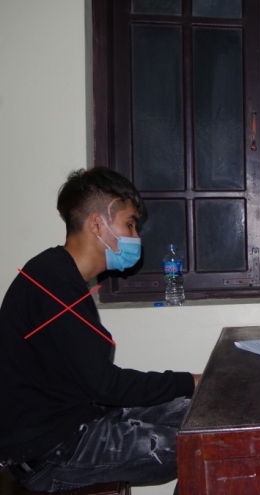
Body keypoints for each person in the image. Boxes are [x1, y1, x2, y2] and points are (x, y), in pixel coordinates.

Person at [0, 168, 199, 492]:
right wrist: (189, 381)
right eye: (130, 224)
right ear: (97, 224)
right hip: (50, 451)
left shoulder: (60, 274)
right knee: (205, 446)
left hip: (79, 421)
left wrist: (189, 388)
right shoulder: (53, 282)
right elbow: (105, 384)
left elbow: (91, 382)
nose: (135, 236)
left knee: (202, 418)